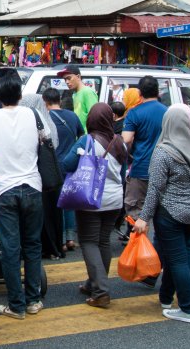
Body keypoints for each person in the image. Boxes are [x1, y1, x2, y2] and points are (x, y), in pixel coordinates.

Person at [133, 104, 190, 324]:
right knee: (173, 257)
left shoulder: (163, 152)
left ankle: (187, 309)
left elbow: (155, 189)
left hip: (170, 213)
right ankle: (166, 299)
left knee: (176, 261)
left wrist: (143, 217)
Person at [0, 73, 44, 320]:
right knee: (33, 246)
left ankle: (16, 305)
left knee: (10, 249)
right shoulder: (32, 114)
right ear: (19, 94)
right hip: (33, 186)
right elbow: (46, 141)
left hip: (4, 189)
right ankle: (33, 300)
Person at [62, 103, 127, 308]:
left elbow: (67, 164)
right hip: (115, 198)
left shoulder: (87, 140)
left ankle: (100, 291)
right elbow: (124, 171)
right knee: (103, 242)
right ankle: (94, 283)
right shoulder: (120, 142)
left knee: (89, 242)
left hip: (91, 198)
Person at [19, 93, 63, 259]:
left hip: (36, 177)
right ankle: (54, 247)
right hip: (49, 176)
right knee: (51, 215)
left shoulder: (26, 124)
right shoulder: (47, 122)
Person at [121, 76, 168, 224]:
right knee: (162, 214)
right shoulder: (167, 112)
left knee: (136, 214)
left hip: (140, 167)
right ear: (158, 92)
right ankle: (158, 246)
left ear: (140, 93)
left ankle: (139, 246)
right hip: (164, 169)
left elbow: (126, 139)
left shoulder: (134, 113)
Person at [43, 87, 84, 251]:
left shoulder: (46, 118)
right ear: (59, 100)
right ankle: (70, 238)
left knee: (56, 203)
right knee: (69, 201)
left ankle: (60, 240)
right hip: (72, 164)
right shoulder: (72, 116)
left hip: (54, 166)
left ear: (45, 102)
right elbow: (81, 135)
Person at [57, 64, 98, 131]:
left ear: (78, 77)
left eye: (69, 78)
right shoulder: (75, 94)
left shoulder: (87, 92)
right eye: (65, 79)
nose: (67, 82)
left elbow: (95, 118)